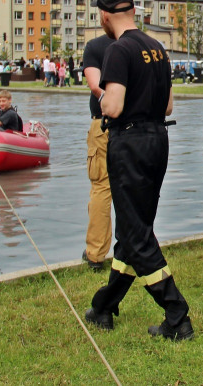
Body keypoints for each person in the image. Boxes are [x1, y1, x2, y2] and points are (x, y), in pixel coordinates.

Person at [83, 0, 193, 341]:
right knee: (133, 228)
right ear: (132, 10)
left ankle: (177, 315)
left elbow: (112, 106)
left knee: (136, 233)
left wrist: (102, 100)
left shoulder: (118, 50)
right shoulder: (157, 48)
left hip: (128, 143)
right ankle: (104, 307)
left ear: (104, 15)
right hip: (157, 140)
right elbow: (168, 106)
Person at [82, 33, 115, 271]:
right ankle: (135, 248)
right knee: (134, 187)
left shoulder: (96, 46)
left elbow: (95, 86)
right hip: (139, 128)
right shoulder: (147, 45)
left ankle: (96, 253)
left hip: (104, 123)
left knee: (101, 187)